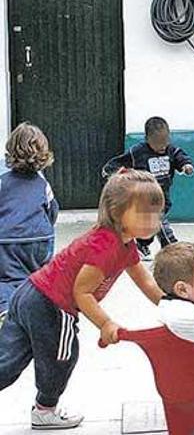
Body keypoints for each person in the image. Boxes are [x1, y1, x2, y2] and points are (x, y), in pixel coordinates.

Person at [0, 169, 166, 429]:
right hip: (51, 305)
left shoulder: (125, 245)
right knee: (62, 357)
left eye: (157, 213)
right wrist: (106, 324)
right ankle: (46, 410)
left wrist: (171, 306)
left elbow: (145, 282)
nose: (153, 221)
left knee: (6, 361)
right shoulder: (105, 246)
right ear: (116, 211)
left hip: (30, 293)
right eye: (144, 213)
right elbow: (82, 293)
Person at [102, 117, 194, 260]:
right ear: (147, 139)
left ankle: (142, 244)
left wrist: (186, 166)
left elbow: (181, 158)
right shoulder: (138, 152)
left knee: (149, 226)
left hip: (163, 195)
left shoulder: (171, 151)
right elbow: (118, 162)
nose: (162, 147)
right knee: (159, 221)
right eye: (157, 143)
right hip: (145, 196)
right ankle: (172, 248)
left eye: (165, 141)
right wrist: (110, 172)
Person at [0, 123, 59, 327]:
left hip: (8, 240)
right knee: (38, 278)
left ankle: (7, 311)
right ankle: (39, 313)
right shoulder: (42, 184)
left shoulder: (2, 181)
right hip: (41, 239)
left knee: (7, 279)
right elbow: (52, 211)